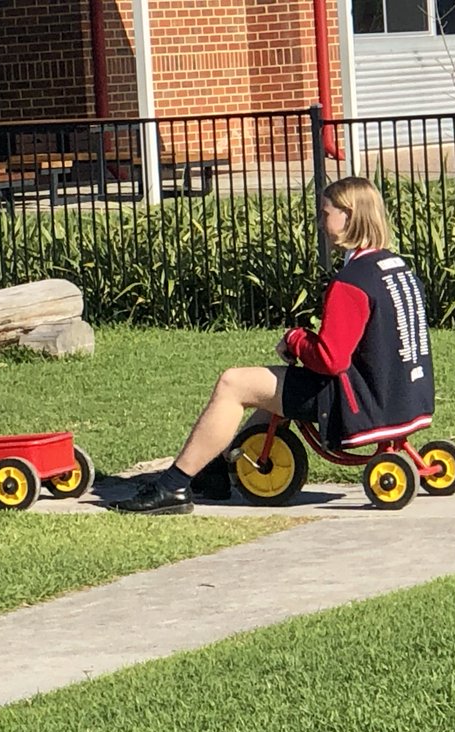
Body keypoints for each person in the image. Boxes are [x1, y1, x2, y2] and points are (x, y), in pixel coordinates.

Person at [113, 176, 434, 515]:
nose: (321, 223)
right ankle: (220, 466)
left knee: (233, 383)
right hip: (401, 396)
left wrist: (295, 340)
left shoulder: (351, 282)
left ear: (349, 215)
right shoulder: (396, 267)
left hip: (354, 402)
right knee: (268, 388)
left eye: (325, 214)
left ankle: (173, 486)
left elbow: (330, 359)